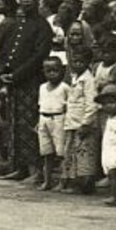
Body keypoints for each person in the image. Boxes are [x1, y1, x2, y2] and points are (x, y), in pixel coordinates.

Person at [0, 0, 52, 182]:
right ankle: (19, 166)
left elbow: (39, 56)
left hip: (31, 82)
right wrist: (3, 71)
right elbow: (7, 51)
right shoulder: (17, 24)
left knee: (30, 125)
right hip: (14, 82)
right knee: (14, 124)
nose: (25, 0)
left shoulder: (42, 26)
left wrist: (17, 74)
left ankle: (35, 170)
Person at [58, 45, 100, 195]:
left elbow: (92, 103)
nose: (77, 65)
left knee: (84, 155)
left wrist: (86, 123)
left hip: (82, 124)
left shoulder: (88, 80)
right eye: (74, 61)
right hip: (72, 122)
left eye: (81, 62)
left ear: (88, 62)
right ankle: (72, 182)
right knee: (72, 153)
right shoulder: (75, 78)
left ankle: (85, 184)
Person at [35, 56, 69, 192]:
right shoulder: (42, 87)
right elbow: (40, 105)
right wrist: (38, 122)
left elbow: (68, 107)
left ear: (62, 71)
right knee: (46, 152)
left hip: (58, 119)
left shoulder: (64, 88)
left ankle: (62, 181)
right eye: (48, 70)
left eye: (55, 70)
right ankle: (47, 180)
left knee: (61, 152)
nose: (52, 73)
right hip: (44, 119)